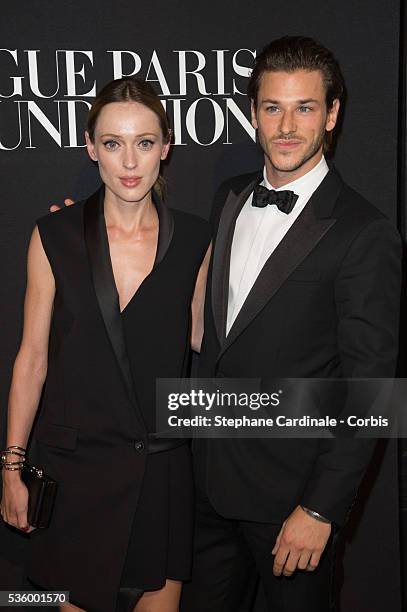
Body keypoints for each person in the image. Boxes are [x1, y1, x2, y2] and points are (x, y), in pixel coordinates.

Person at [181, 36, 402, 611]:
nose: (285, 125)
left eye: (304, 107)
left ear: (332, 115)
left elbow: (370, 389)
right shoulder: (230, 198)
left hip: (293, 506)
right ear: (253, 113)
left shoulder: (363, 231)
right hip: (207, 493)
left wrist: (321, 508)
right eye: (272, 107)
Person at [0, 77, 211, 612]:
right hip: (74, 478)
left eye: (144, 142)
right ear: (91, 147)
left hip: (160, 477)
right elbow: (32, 358)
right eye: (113, 143)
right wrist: (11, 467)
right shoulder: (55, 235)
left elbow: (201, 345)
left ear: (166, 148)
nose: (130, 161)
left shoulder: (195, 241)